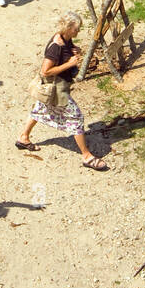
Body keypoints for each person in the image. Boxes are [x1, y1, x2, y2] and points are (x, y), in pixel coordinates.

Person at [15, 11, 107, 170]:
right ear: (68, 27)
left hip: (57, 86)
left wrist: (75, 51)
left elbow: (68, 52)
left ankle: (24, 138)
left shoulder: (66, 39)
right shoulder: (56, 46)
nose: (78, 31)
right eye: (76, 28)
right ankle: (86, 156)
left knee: (40, 109)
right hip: (56, 89)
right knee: (76, 117)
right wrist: (70, 64)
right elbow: (45, 71)